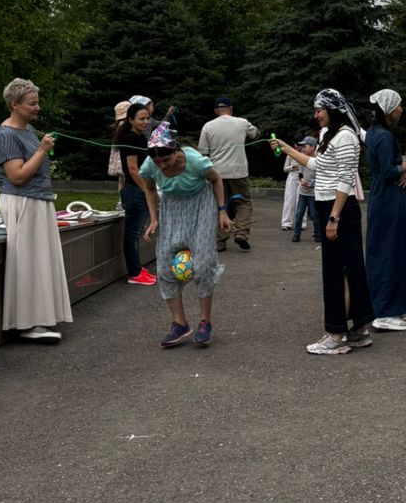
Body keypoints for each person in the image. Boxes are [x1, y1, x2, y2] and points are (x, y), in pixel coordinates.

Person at [270, 90, 374, 355]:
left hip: (339, 208)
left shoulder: (345, 136)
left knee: (337, 272)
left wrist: (333, 217)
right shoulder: (331, 135)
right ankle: (358, 330)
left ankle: (337, 335)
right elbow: (317, 165)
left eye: (319, 110)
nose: (315, 115)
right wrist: (287, 148)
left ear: (331, 110)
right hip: (333, 207)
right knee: (347, 269)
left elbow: (345, 178)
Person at [0, 78, 72, 343]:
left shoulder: (28, 130)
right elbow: (17, 176)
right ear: (15, 104)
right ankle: (28, 323)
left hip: (39, 201)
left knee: (41, 261)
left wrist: (40, 148)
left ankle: (41, 318)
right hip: (21, 202)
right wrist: (42, 149)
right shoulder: (5, 135)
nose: (38, 108)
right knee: (27, 262)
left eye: (37, 103)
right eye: (32, 103)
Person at [140, 122, 231, 348]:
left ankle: (205, 322)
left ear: (176, 150)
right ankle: (179, 323)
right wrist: (154, 219)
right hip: (171, 208)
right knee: (164, 265)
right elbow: (149, 188)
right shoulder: (150, 165)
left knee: (203, 264)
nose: (162, 165)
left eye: (166, 160)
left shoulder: (195, 161)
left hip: (201, 206)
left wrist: (222, 211)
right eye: (157, 162)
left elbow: (216, 179)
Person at [363, 89, 406, 332]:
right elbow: (387, 172)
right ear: (388, 110)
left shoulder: (375, 133)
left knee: (390, 251)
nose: (401, 110)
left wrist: (403, 170)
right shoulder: (384, 136)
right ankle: (385, 311)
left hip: (384, 198)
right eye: (398, 106)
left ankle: (391, 306)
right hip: (388, 200)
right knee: (389, 252)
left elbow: (386, 168)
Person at [198, 96, 259, 252]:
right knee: (244, 203)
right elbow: (256, 134)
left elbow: (203, 153)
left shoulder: (208, 126)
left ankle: (220, 241)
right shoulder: (242, 122)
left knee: (219, 205)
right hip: (239, 171)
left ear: (215, 111)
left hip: (216, 174)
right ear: (231, 109)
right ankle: (241, 233)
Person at [113, 100, 156, 285]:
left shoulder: (140, 137)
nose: (145, 122)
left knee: (135, 233)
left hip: (138, 190)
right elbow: (132, 169)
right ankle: (134, 273)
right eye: (141, 119)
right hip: (134, 191)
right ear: (130, 120)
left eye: (147, 118)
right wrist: (146, 189)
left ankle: (137, 268)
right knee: (132, 234)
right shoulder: (130, 138)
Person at [292, 137, 321, 243]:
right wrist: (302, 180)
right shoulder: (302, 158)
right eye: (302, 146)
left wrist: (311, 184)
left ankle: (318, 234)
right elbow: (300, 173)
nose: (303, 148)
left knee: (314, 215)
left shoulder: (318, 159)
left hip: (313, 193)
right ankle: (296, 234)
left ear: (313, 147)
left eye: (305, 146)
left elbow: (321, 176)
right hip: (303, 192)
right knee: (299, 213)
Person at [108, 99, 130, 202]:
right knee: (126, 179)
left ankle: (121, 200)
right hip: (123, 156)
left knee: (121, 179)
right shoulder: (125, 124)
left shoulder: (118, 125)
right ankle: (123, 200)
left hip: (119, 156)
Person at [281, 142, 301, 231]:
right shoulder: (290, 154)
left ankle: (300, 223)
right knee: (289, 200)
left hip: (302, 179)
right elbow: (285, 169)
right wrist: (292, 167)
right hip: (292, 177)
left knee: (300, 201)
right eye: (297, 145)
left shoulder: (304, 154)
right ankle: (286, 223)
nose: (298, 147)